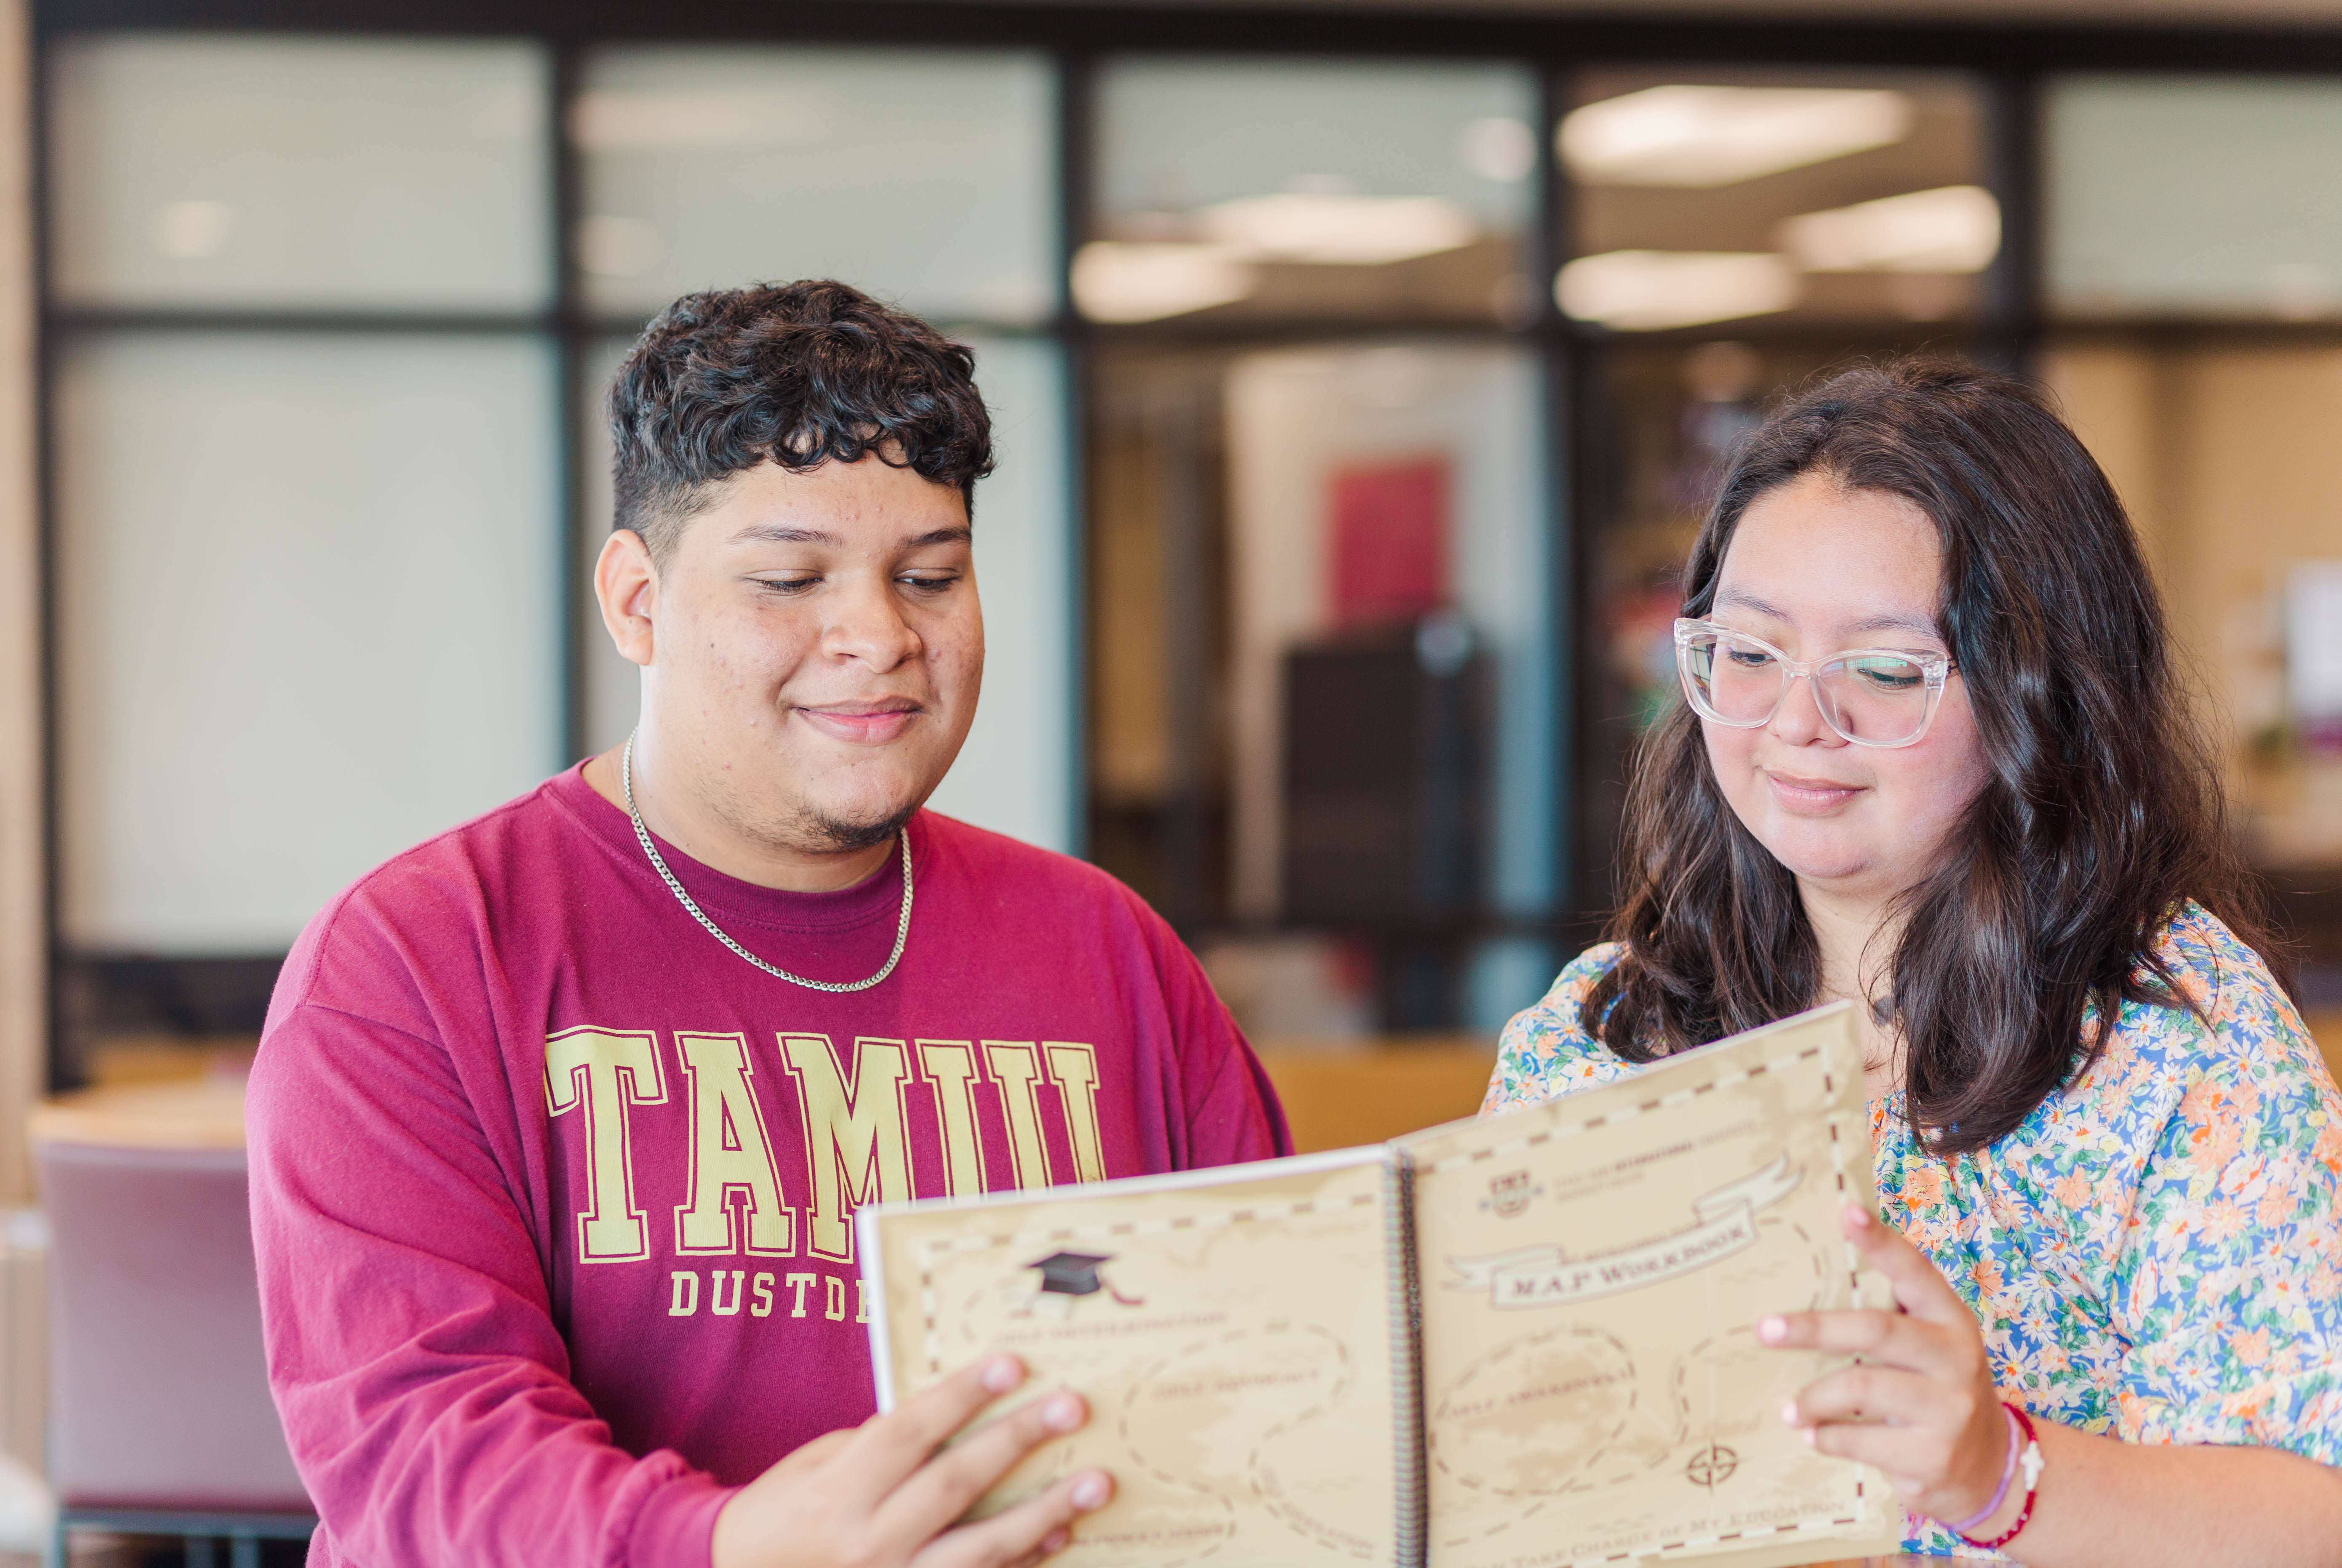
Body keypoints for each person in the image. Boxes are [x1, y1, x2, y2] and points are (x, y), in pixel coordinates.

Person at [247, 280, 1291, 1568]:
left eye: (929, 576)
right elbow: (417, 1455)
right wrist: (731, 1546)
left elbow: (1272, 1362)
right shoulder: (418, 958)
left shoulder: (1109, 952)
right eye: (790, 578)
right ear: (637, 602)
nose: (878, 636)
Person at [1484, 360, 2342, 1563]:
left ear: (2039, 697)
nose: (1795, 723)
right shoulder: (1603, 1034)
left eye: (1883, 672)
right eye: (1748, 653)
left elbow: (2311, 1522)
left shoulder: (2172, 1044)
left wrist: (1997, 1475)